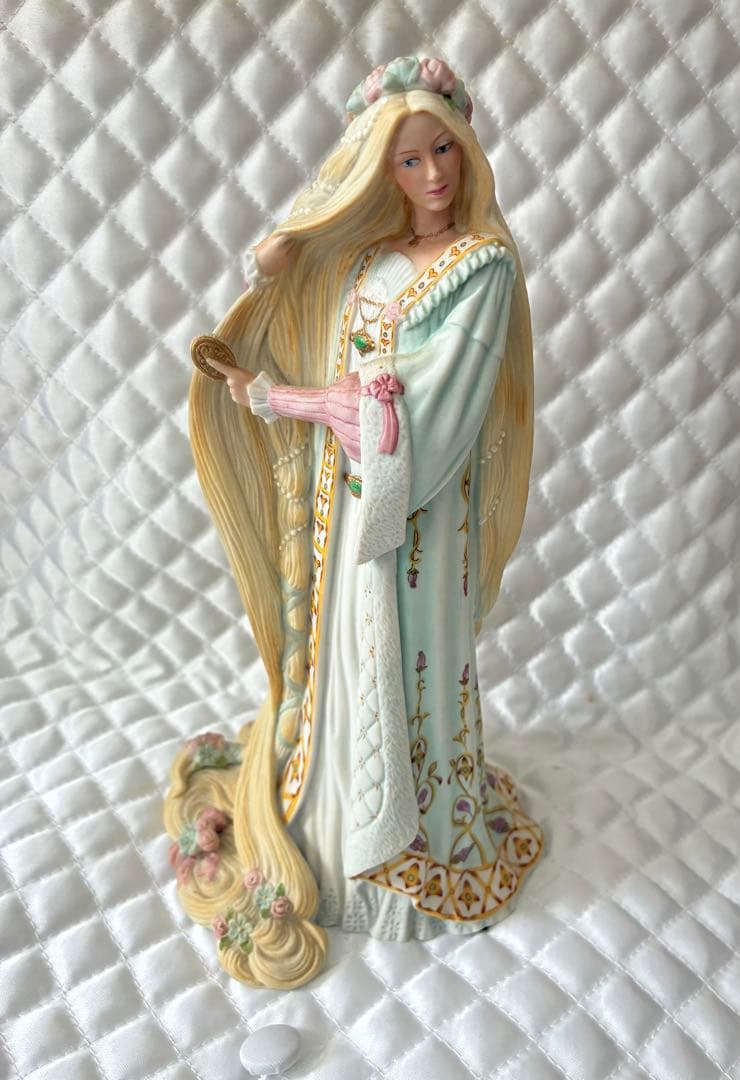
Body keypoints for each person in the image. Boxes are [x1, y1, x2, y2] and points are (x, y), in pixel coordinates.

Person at [163, 56, 543, 991]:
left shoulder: (481, 267)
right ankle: (331, 822)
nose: (432, 175)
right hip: (349, 505)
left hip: (417, 516)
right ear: (383, 169)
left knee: (405, 654)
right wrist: (283, 259)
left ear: (466, 148)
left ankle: (410, 844)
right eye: (408, 160)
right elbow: (318, 323)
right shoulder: (371, 260)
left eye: (442, 150)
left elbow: (419, 408)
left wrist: (305, 404)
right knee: (343, 661)